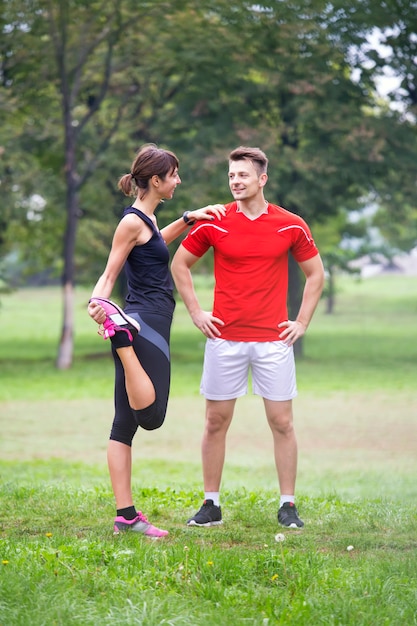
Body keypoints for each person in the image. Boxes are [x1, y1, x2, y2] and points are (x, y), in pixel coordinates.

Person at [171, 146, 325, 529]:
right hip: (225, 339)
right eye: (231, 176)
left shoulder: (291, 224)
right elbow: (179, 264)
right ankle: (211, 504)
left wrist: (301, 322)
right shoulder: (215, 221)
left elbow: (316, 274)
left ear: (262, 179)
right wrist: (195, 312)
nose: (235, 181)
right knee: (215, 421)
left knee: (282, 422)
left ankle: (287, 505)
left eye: (242, 175)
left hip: (274, 341)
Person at [87, 144, 224, 538]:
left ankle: (126, 516)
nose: (179, 181)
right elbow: (111, 271)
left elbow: (154, 244)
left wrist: (187, 218)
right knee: (152, 416)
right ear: (156, 181)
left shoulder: (144, 219)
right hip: (145, 321)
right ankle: (122, 341)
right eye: (174, 175)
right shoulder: (131, 222)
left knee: (122, 425)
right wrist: (99, 302)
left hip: (140, 318)